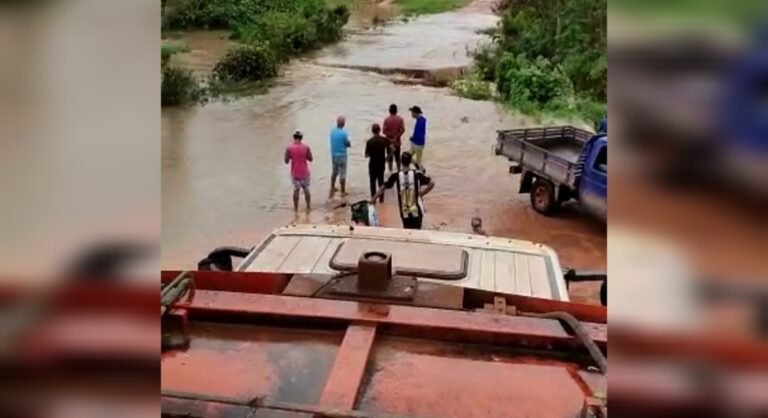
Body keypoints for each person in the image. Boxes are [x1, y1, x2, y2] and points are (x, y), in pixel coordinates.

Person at [372, 152, 434, 230]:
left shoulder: (396, 175)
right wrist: (422, 193)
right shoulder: (417, 174)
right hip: (417, 209)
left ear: (401, 162)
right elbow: (432, 183)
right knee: (417, 231)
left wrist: (373, 200)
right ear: (410, 162)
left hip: (405, 210)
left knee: (407, 230)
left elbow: (383, 188)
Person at [284, 130, 313, 212]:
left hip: (295, 173)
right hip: (305, 172)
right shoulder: (306, 147)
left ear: (294, 138)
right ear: (301, 138)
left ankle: (296, 209)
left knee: (296, 190)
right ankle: (308, 207)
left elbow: (286, 161)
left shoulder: (289, 148)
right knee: (306, 189)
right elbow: (310, 159)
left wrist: (290, 156)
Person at [365, 123, 388, 202]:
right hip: (381, 163)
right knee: (381, 181)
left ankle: (373, 199)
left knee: (372, 182)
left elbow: (366, 155)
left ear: (372, 131)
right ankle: (381, 199)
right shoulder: (384, 140)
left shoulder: (369, 142)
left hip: (373, 164)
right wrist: (387, 158)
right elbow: (393, 149)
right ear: (379, 130)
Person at [329, 115, 351, 198]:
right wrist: (348, 143)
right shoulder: (344, 133)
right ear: (343, 124)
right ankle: (342, 191)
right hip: (342, 155)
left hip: (334, 155)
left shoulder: (332, 132)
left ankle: (332, 186)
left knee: (334, 171)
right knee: (343, 173)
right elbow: (347, 144)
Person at [383, 103, 405, 173]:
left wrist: (390, 138)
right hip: (397, 141)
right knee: (397, 157)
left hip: (389, 142)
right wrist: (396, 137)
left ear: (389, 110)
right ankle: (399, 171)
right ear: (396, 111)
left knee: (390, 158)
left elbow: (384, 131)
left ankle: (390, 171)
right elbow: (403, 130)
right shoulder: (400, 119)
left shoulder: (386, 120)